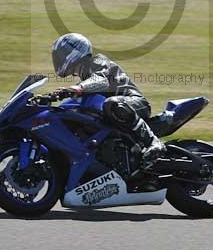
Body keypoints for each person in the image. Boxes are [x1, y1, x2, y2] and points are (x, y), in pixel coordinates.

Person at [50, 32, 165, 168]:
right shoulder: (85, 76)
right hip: (117, 112)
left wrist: (78, 88)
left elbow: (101, 80)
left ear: (75, 52)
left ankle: (153, 143)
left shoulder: (97, 62)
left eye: (62, 54)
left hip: (134, 103)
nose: (58, 58)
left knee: (112, 104)